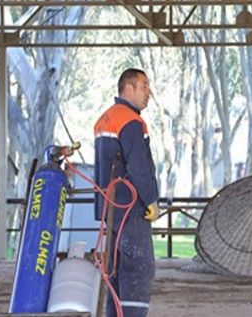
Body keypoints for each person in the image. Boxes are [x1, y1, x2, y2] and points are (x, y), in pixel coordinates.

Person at [94, 68, 159, 317]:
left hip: (110, 210)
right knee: (138, 270)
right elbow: (139, 165)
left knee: (115, 273)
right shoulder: (130, 121)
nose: (148, 92)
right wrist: (151, 200)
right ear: (128, 88)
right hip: (131, 211)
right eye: (144, 86)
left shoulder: (105, 119)